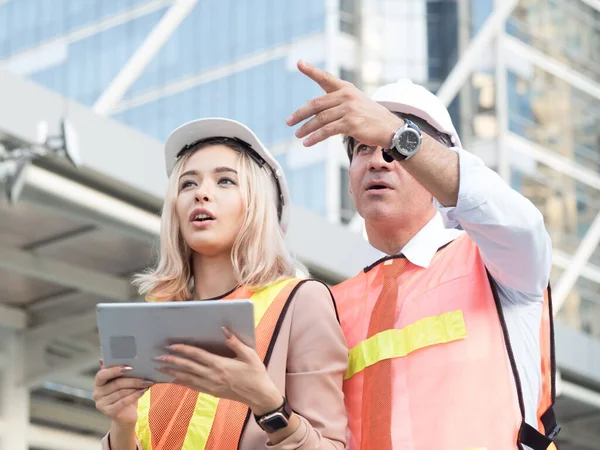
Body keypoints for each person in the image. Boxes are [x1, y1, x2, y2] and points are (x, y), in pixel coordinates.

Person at [286, 60, 559, 450]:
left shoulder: (496, 262)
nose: (379, 159)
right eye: (363, 148)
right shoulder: (330, 304)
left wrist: (397, 133)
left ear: (434, 169)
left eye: (395, 149)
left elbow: (523, 224)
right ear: (350, 184)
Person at [93, 117, 348, 450]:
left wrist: (267, 404)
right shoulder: (154, 317)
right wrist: (122, 426)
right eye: (187, 184)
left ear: (257, 204)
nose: (202, 194)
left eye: (225, 181)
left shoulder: (301, 301)